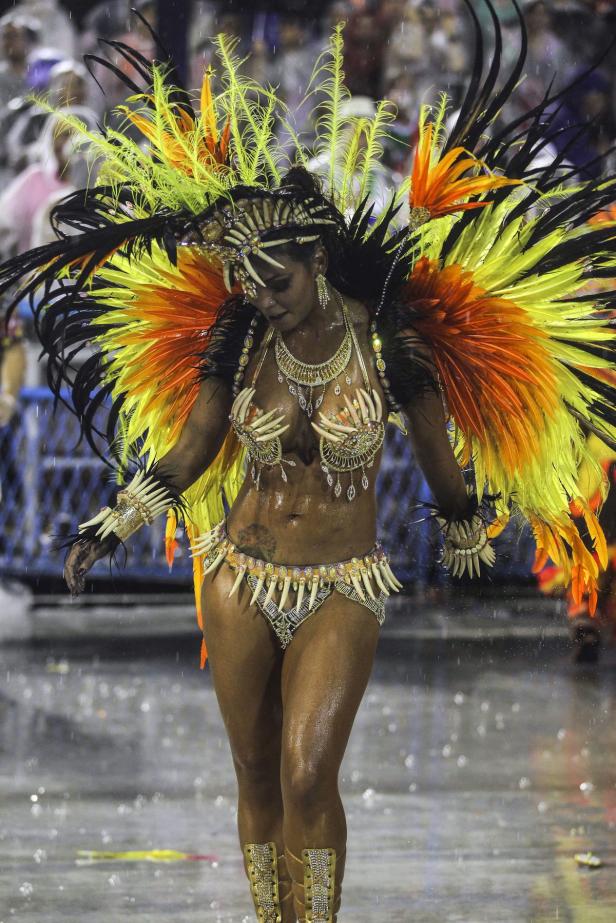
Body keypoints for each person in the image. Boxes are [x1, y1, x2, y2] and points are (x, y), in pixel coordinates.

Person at [1, 3, 616, 920]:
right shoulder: (240, 334)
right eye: (247, 279)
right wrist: (114, 517)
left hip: (342, 579)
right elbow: (198, 444)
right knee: (254, 770)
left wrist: (473, 524)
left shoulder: (394, 348)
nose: (261, 296)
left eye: (276, 280)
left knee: (306, 768)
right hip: (237, 568)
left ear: (319, 259)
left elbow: (445, 472)